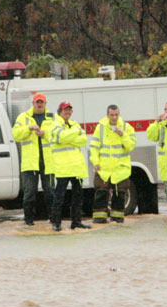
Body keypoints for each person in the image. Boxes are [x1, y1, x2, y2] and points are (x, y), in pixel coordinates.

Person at [11, 92, 55, 225]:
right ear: (33, 103)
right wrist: (29, 128)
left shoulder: (52, 117)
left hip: (48, 162)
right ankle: (29, 221)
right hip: (30, 162)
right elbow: (16, 134)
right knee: (29, 193)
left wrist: (45, 134)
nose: (39, 104)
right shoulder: (23, 117)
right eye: (37, 102)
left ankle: (53, 220)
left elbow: (58, 135)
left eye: (42, 102)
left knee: (50, 193)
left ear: (45, 104)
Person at [89, 104, 136, 223]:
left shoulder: (126, 127)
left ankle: (117, 219)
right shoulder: (100, 128)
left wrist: (123, 135)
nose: (114, 118)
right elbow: (94, 147)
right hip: (103, 168)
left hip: (120, 169)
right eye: (112, 115)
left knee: (120, 194)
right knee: (101, 192)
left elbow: (130, 146)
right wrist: (95, 162)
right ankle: (99, 219)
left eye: (116, 115)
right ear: (107, 115)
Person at [49, 101, 90, 231]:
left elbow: (83, 140)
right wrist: (75, 133)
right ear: (59, 112)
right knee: (59, 198)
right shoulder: (54, 124)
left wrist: (70, 136)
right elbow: (61, 136)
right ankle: (56, 223)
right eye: (65, 109)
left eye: (69, 110)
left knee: (78, 197)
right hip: (63, 167)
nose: (68, 112)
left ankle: (76, 222)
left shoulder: (74, 124)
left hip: (77, 167)